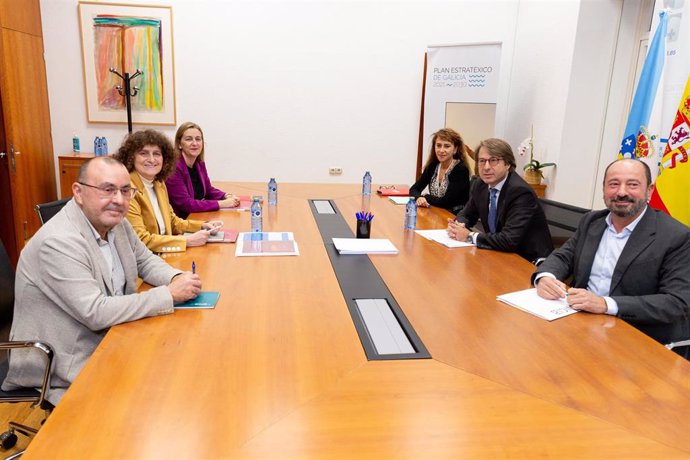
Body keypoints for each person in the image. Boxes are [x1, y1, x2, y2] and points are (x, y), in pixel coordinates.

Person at [2, 157, 202, 404]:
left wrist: (177, 277)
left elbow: (145, 261)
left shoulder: (116, 223)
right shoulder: (58, 243)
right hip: (64, 359)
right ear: (79, 192)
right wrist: (169, 294)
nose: (118, 200)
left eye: (125, 191)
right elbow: (95, 312)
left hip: (111, 335)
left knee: (182, 361)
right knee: (162, 391)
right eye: (107, 190)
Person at [533, 159, 690, 358]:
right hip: (580, 324)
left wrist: (606, 304)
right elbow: (564, 255)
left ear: (649, 190)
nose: (621, 192)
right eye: (614, 184)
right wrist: (546, 276)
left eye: (633, 184)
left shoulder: (676, 236)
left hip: (635, 339)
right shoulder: (593, 221)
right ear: (604, 189)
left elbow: (676, 303)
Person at [115, 130, 224, 253]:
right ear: (131, 157)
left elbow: (173, 222)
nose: (151, 159)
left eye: (156, 154)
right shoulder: (128, 190)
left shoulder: (158, 184)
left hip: (164, 253)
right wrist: (186, 241)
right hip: (145, 262)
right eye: (143, 153)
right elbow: (140, 240)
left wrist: (203, 225)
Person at [447, 138, 553, 262]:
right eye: (481, 161)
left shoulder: (520, 192)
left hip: (528, 260)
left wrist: (470, 236)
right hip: (498, 253)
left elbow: (509, 240)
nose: (486, 167)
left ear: (508, 164)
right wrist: (458, 226)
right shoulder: (480, 184)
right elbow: (466, 214)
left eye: (493, 161)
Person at [165, 122, 240, 218]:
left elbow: (208, 190)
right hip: (182, 223)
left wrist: (226, 196)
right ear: (179, 144)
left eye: (198, 139)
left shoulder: (199, 164)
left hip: (198, 216)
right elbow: (186, 204)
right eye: (189, 139)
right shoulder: (174, 168)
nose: (194, 143)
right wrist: (222, 203)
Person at [409, 128, 471, 213]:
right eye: (438, 145)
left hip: (454, 218)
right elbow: (414, 189)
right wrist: (419, 198)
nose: (441, 150)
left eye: (447, 146)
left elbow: (446, 202)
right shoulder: (433, 166)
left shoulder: (461, 169)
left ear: (455, 149)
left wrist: (426, 197)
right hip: (436, 213)